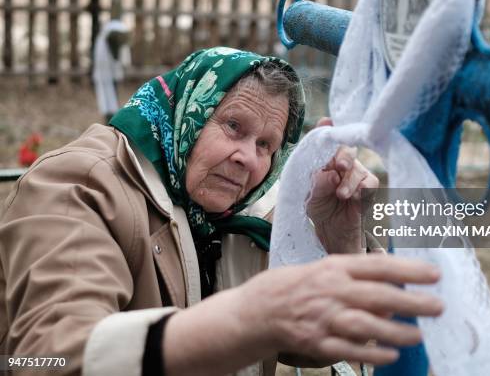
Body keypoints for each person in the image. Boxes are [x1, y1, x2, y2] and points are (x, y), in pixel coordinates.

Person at [0, 47, 443, 376]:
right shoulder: (80, 185)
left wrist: (340, 241)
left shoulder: (248, 217)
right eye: (233, 126)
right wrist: (244, 318)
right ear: (191, 109)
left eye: (266, 145)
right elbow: (47, 357)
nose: (248, 159)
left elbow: (315, 344)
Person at [92, 20, 131, 124]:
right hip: (105, 72)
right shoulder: (106, 40)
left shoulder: (118, 36)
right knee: (106, 96)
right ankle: (109, 119)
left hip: (113, 71)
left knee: (112, 95)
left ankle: (113, 118)